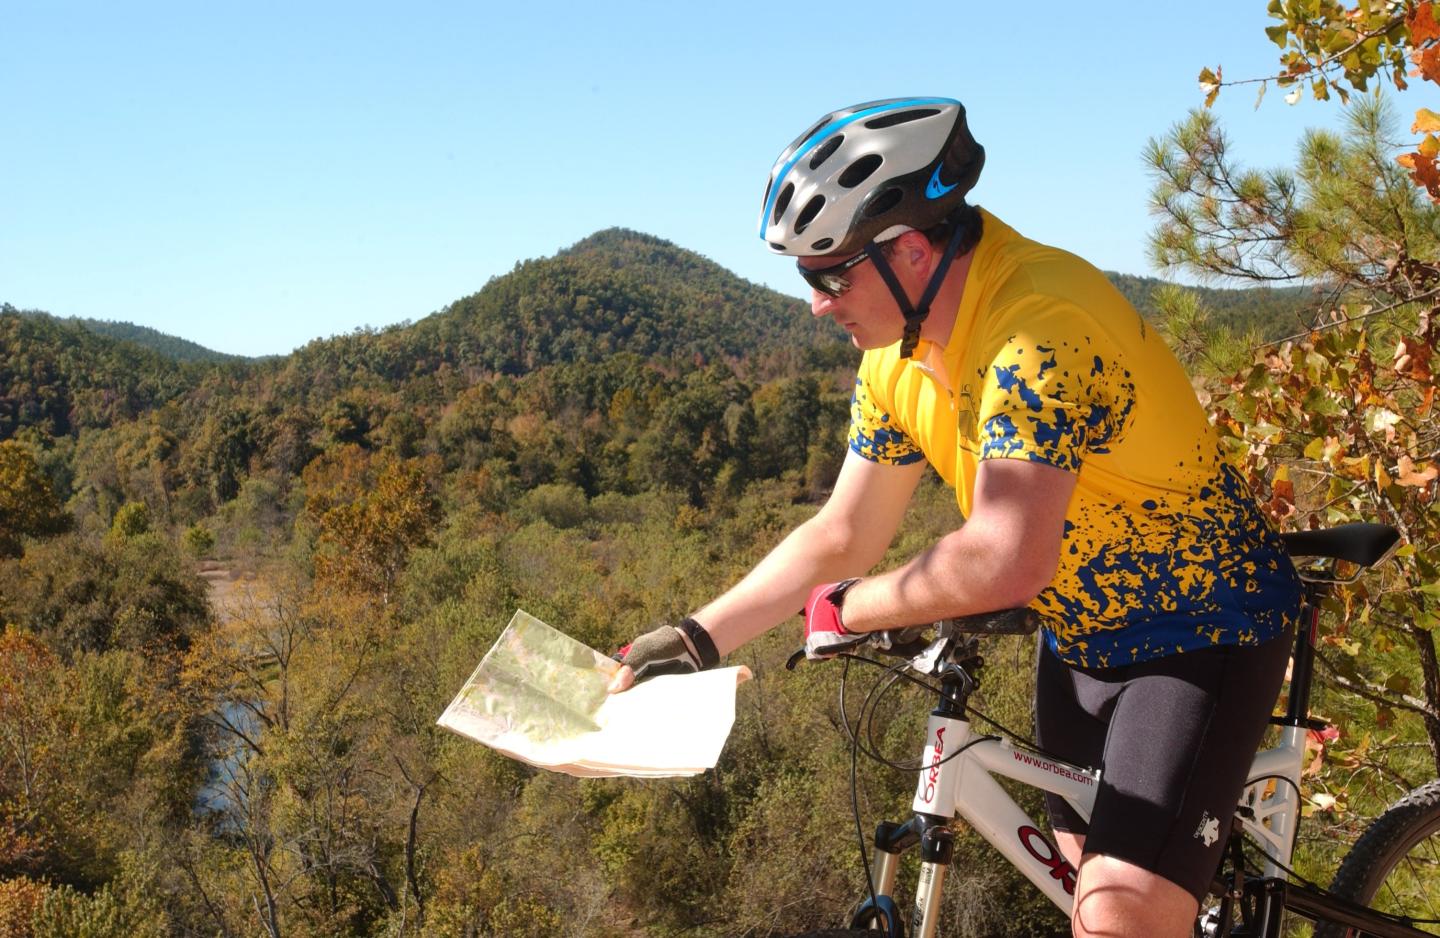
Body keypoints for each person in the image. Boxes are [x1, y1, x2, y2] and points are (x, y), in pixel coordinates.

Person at [610, 97, 1302, 938]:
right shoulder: (895, 355)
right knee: (1081, 885)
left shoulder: (1040, 329)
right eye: (805, 277)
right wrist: (696, 639)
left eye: (830, 274)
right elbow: (844, 531)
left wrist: (851, 609)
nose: (817, 304)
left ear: (910, 251)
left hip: (1202, 633)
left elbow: (1006, 555)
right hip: (1079, 644)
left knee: (1118, 918)